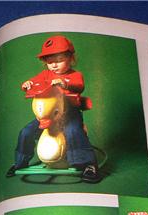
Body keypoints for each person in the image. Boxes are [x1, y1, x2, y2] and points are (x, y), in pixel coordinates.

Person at [7, 35, 102, 183]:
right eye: (50, 62)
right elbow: (34, 82)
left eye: (59, 60)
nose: (54, 65)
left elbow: (79, 86)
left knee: (73, 131)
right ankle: (20, 162)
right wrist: (27, 84)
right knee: (26, 132)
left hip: (69, 113)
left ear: (71, 58)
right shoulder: (45, 74)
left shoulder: (75, 75)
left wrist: (64, 84)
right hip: (49, 114)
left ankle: (88, 165)